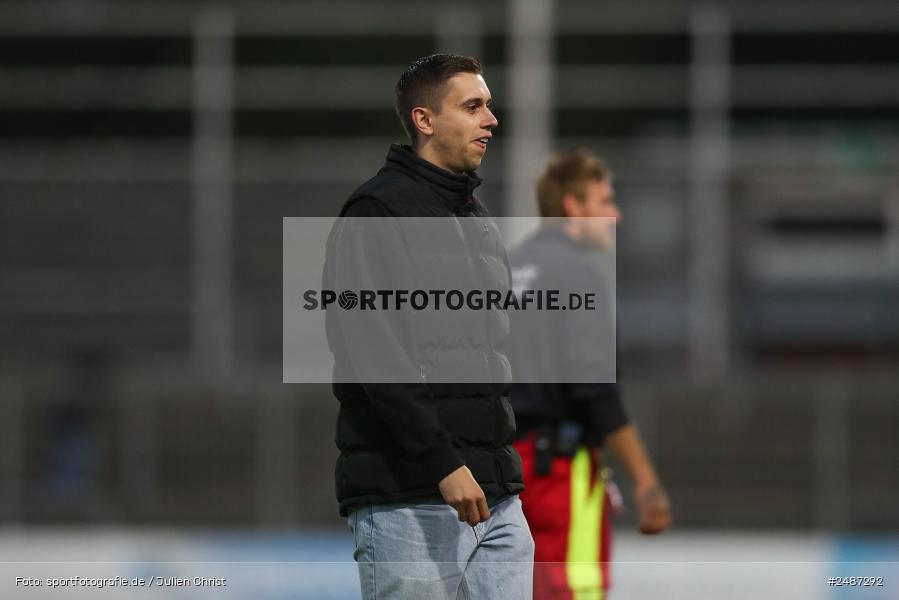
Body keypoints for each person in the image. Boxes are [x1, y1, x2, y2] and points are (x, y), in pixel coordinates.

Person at [323, 54, 534, 600]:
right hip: (411, 496)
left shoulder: (475, 219)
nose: (491, 119)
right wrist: (445, 463)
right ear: (424, 120)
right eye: (473, 106)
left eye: (489, 105)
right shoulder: (377, 211)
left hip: (498, 499)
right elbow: (373, 352)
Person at [508, 148, 671, 600]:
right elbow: (594, 391)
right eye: (605, 202)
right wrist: (645, 479)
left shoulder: (505, 268)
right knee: (572, 590)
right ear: (572, 207)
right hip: (558, 470)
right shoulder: (580, 274)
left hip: (501, 472)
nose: (614, 216)